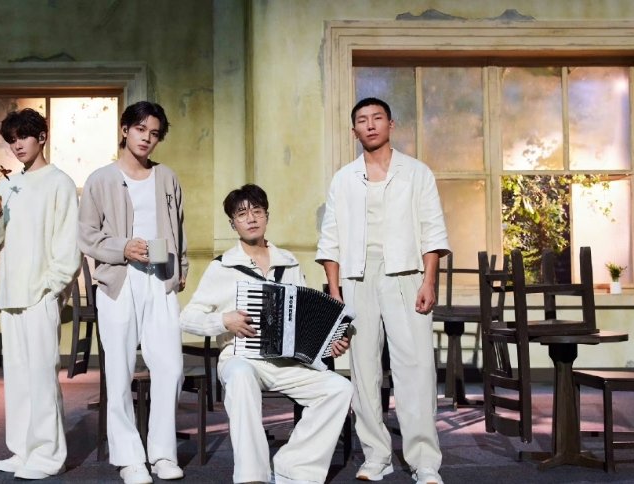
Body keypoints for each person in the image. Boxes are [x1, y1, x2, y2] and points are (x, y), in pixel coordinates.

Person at [316, 98, 450, 484]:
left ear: (391, 124)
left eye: (377, 118)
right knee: (363, 370)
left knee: (416, 368)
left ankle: (424, 461)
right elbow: (331, 239)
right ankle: (376, 456)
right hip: (357, 277)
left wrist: (429, 280)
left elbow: (432, 229)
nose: (370, 125)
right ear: (354, 130)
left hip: (406, 274)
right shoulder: (344, 178)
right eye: (362, 120)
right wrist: (335, 291)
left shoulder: (417, 172)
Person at [181, 184, 353, 484]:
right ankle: (253, 475)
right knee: (240, 377)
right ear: (233, 223)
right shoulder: (222, 267)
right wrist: (224, 320)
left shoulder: (288, 262)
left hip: (286, 362)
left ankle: (293, 467)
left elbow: (305, 317)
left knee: (339, 389)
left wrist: (330, 343)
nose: (251, 219)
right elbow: (187, 318)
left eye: (257, 212)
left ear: (266, 217)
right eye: (242, 214)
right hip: (241, 357)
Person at [78, 101, 188, 484]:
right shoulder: (100, 179)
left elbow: (179, 227)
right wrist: (122, 248)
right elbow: (87, 236)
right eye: (140, 129)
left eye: (154, 133)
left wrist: (180, 269)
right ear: (125, 130)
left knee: (170, 368)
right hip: (118, 281)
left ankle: (162, 453)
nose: (147, 138)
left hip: (160, 279)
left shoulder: (167, 177)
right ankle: (129, 458)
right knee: (119, 370)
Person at [0, 108, 81, 480]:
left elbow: (69, 241)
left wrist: (52, 289)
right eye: (11, 140)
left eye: (23, 136)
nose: (17, 145)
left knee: (41, 377)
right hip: (11, 293)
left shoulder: (60, 182)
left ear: (42, 137)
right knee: (18, 379)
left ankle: (48, 455)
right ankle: (22, 450)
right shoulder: (6, 185)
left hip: (41, 294)